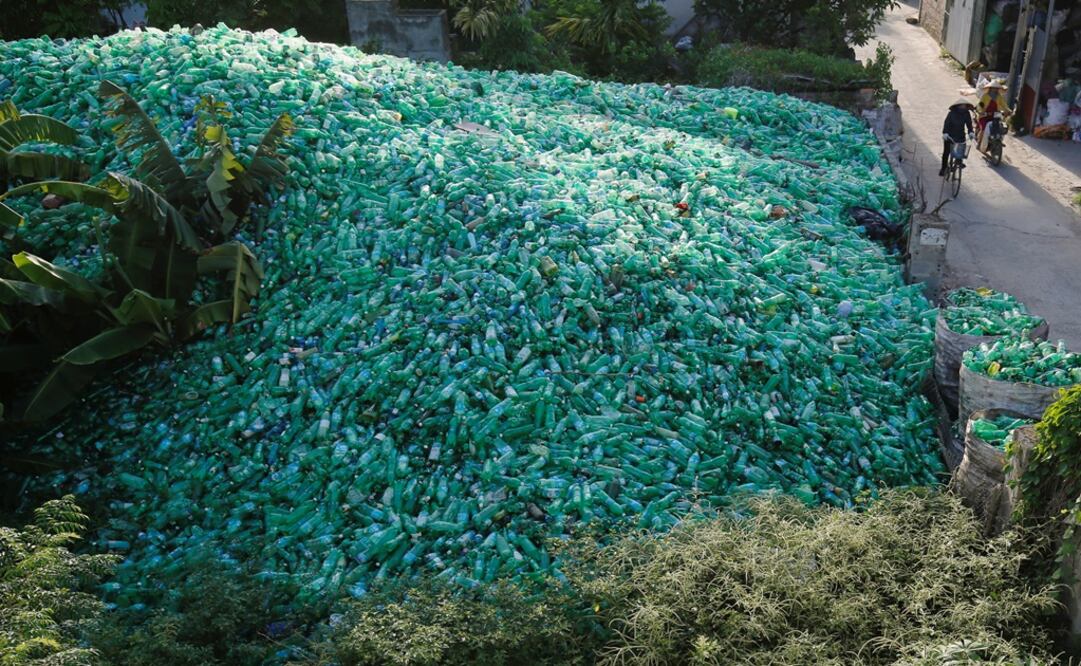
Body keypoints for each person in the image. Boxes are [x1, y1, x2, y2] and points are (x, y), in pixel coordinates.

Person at [941, 99, 974, 176]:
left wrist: (971, 132)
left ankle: (959, 161)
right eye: (962, 105)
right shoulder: (951, 114)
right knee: (946, 152)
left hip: (960, 135)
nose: (963, 107)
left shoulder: (966, 113)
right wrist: (945, 133)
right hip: (950, 136)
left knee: (960, 151)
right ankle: (943, 168)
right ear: (958, 106)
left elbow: (969, 124)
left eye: (964, 106)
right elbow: (946, 124)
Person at [975, 81, 1010, 153]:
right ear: (990, 88)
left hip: (995, 116)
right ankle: (979, 143)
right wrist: (981, 111)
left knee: (1001, 128)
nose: (995, 89)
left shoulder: (999, 97)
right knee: (984, 129)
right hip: (984, 116)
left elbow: (1004, 105)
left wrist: (1008, 110)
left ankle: (998, 141)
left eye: (997, 88)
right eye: (994, 88)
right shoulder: (985, 96)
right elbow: (980, 105)